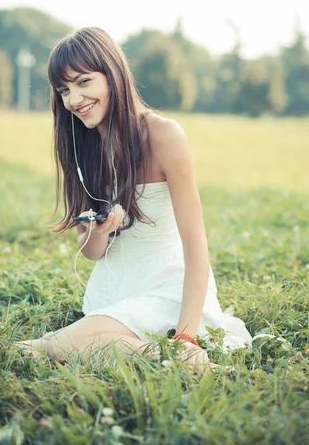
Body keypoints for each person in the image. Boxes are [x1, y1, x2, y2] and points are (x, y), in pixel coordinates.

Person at [15, 27, 251, 368]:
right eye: (64, 90)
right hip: (113, 290)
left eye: (84, 82)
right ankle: (172, 362)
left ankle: (49, 345)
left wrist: (186, 335)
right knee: (66, 341)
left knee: (55, 345)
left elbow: (195, 243)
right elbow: (93, 253)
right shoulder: (83, 147)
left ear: (113, 75)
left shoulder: (163, 135)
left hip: (169, 288)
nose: (73, 100)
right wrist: (98, 232)